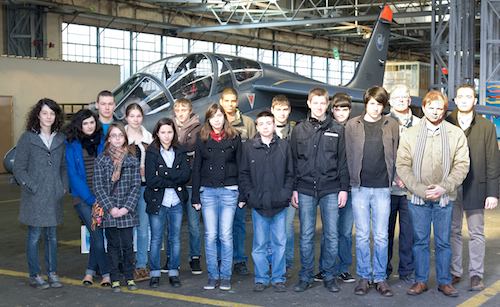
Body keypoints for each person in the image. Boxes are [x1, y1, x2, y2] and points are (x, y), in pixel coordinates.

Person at [396, 90, 469, 297]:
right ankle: (420, 281)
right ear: (425, 108)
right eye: (431, 107)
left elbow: (462, 165)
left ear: (444, 110)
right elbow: (402, 164)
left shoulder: (455, 134)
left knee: (443, 241)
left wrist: (444, 187)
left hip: (445, 197)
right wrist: (419, 189)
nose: (435, 112)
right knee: (419, 241)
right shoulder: (410, 134)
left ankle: (445, 282)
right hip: (417, 198)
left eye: (440, 108)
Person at [290, 87, 349, 293]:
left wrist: (344, 189)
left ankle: (329, 275)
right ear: (309, 104)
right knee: (306, 234)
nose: (319, 106)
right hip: (305, 188)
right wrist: (294, 189)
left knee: (331, 234)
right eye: (315, 103)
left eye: (322, 103)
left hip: (331, 188)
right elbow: (293, 162)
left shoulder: (338, 130)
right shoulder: (298, 130)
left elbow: (343, 162)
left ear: (328, 105)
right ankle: (305, 276)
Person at [345, 86, 399, 297]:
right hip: (359, 187)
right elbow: (346, 154)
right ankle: (364, 277)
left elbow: (397, 151)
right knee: (362, 236)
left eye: (380, 104)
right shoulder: (352, 125)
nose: (376, 108)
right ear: (366, 103)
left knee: (381, 236)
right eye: (372, 104)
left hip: (383, 188)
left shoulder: (391, 124)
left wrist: (397, 176)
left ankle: (380, 278)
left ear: (384, 106)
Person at [447, 84, 499, 291]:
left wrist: (493, 193)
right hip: (451, 186)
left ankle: (476, 274)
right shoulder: (447, 122)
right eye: (461, 97)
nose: (465, 100)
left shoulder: (486, 126)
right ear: (456, 100)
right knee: (453, 231)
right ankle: (454, 272)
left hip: (476, 186)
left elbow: (493, 161)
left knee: (476, 232)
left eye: (469, 96)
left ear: (475, 101)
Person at [13, 98, 67, 289]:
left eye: (52, 113)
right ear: (38, 115)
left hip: (54, 195)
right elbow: (19, 168)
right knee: (34, 236)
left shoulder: (60, 139)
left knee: (52, 236)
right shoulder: (27, 138)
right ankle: (35, 274)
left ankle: (52, 273)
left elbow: (63, 167)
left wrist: (63, 187)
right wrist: (32, 186)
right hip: (34, 196)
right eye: (44, 113)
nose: (48, 117)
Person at [239, 111, 294, 293]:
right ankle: (261, 278)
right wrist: (251, 196)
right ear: (256, 126)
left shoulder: (284, 146)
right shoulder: (248, 147)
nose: (265, 126)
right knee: (259, 244)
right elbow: (244, 174)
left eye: (268, 123)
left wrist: (285, 194)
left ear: (274, 124)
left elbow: (290, 173)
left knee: (280, 243)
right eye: (261, 123)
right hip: (259, 205)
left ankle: (278, 277)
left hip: (279, 204)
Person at [192, 103, 243, 291]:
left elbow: (241, 166)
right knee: (211, 235)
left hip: (229, 190)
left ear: (225, 117)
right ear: (208, 119)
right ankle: (213, 276)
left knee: (226, 235)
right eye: (213, 116)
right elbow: (196, 167)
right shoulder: (202, 138)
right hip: (208, 192)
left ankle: (226, 276)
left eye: (220, 116)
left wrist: (242, 193)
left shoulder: (234, 137)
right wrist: (195, 196)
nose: (217, 119)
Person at [65, 109, 111, 287]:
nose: (89, 126)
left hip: (102, 195)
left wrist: (102, 197)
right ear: (79, 125)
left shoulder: (102, 142)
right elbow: (73, 176)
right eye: (85, 123)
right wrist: (92, 200)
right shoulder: (72, 145)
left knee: (96, 233)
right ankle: (106, 274)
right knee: (98, 236)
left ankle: (90, 273)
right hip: (83, 199)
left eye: (92, 122)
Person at [93, 122, 141, 293]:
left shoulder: (132, 159)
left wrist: (126, 208)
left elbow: (136, 186)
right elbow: (98, 187)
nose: (117, 139)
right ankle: (114, 278)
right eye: (113, 136)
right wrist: (111, 208)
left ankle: (129, 277)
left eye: (120, 136)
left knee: (128, 245)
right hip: (110, 211)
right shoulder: (101, 159)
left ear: (125, 138)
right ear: (108, 139)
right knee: (112, 246)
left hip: (127, 211)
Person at [144, 118, 191, 288]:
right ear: (157, 133)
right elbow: (151, 180)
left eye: (170, 132)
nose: (166, 136)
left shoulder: (180, 150)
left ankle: (173, 271)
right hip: (158, 201)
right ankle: (155, 272)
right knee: (156, 238)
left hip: (176, 202)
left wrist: (163, 173)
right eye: (163, 132)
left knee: (175, 238)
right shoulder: (152, 152)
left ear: (174, 133)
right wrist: (174, 177)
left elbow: (185, 175)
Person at [219, 87, 256, 276]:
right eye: (227, 101)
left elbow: (253, 151)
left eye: (233, 100)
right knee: (220, 225)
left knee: (239, 223)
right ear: (221, 102)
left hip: (239, 180)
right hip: (220, 181)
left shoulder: (248, 123)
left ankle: (239, 260)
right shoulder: (215, 122)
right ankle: (221, 258)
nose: (230, 104)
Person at [386, 84, 418, 283]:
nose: (401, 100)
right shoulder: (382, 122)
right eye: (397, 97)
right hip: (387, 189)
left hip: (410, 190)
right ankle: (384, 270)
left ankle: (407, 271)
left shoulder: (420, 124)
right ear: (390, 101)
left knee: (409, 234)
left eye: (404, 96)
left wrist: (409, 178)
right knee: (384, 233)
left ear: (409, 100)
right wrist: (392, 177)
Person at [170, 98, 203, 275]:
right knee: (172, 224)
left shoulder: (198, 127)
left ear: (190, 111)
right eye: (178, 109)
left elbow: (193, 148)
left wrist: (176, 149)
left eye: (184, 109)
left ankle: (195, 257)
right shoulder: (169, 126)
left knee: (193, 224)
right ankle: (171, 258)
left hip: (191, 183)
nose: (181, 113)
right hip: (173, 184)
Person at [124, 103, 153, 282]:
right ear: (126, 117)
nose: (136, 119)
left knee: (143, 229)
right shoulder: (121, 136)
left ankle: (141, 265)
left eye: (138, 116)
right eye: (132, 116)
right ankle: (125, 265)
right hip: (125, 189)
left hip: (144, 188)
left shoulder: (148, 137)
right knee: (125, 229)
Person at [271, 95, 296, 276]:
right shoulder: (265, 129)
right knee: (270, 228)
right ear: (272, 110)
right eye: (278, 109)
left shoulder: (295, 131)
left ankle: (286, 263)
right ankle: (272, 262)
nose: (282, 113)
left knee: (286, 228)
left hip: (289, 187)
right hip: (269, 188)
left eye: (285, 109)